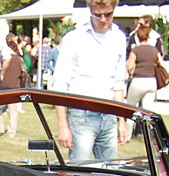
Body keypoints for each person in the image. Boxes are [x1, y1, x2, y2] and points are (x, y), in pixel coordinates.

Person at [51, 0, 129, 160]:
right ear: (90, 11)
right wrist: (62, 125)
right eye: (98, 15)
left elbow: (118, 83)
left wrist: (122, 122)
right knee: (81, 173)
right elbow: (60, 83)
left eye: (108, 14)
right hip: (81, 115)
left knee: (112, 173)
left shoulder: (119, 38)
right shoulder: (74, 39)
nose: (103, 19)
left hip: (110, 114)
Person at [126, 21, 164, 112]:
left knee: (130, 109)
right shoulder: (154, 50)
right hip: (151, 81)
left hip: (139, 80)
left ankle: (129, 126)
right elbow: (161, 63)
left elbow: (129, 66)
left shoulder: (136, 50)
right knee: (147, 111)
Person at [0, 33, 27, 137]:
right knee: (13, 112)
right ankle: (11, 132)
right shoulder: (19, 60)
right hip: (15, 87)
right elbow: (24, 72)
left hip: (2, 86)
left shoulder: (2, 59)